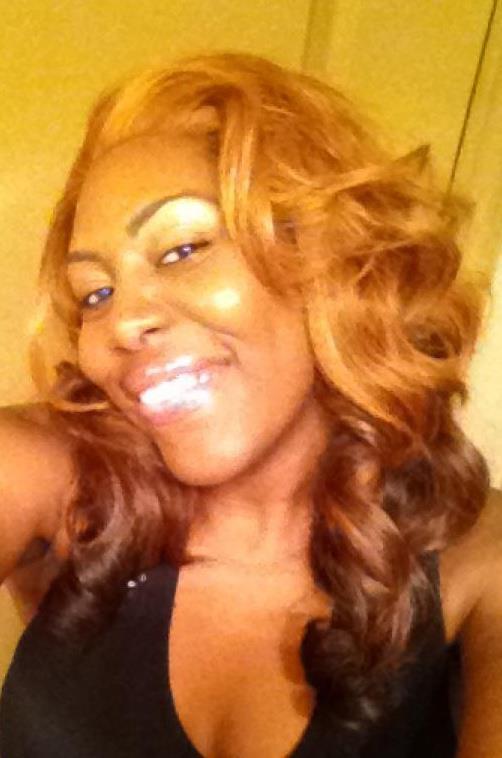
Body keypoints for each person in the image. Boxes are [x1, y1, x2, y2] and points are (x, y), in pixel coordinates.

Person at [0, 52, 500, 758]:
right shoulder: (56, 476)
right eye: (95, 294)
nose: (122, 323)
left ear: (333, 260)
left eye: (182, 249)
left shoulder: (479, 549)